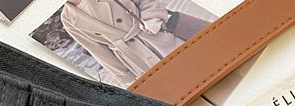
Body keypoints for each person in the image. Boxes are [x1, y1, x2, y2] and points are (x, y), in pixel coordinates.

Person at [61, 0, 210, 89]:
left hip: (154, 35)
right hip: (135, 58)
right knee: (177, 87)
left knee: (203, 67)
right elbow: (98, 51)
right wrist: (126, 79)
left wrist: (152, 18)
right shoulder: (68, 18)